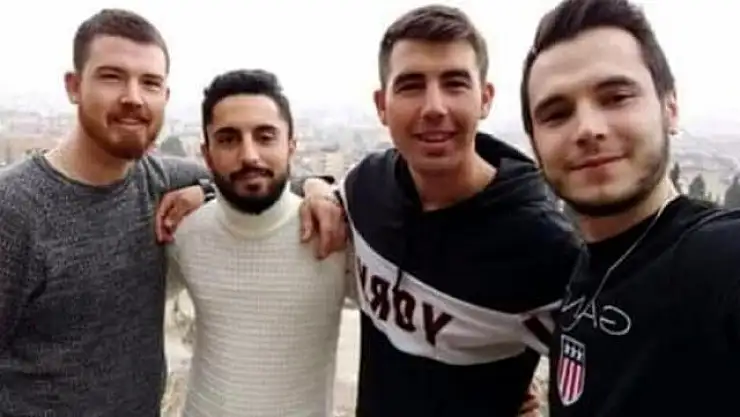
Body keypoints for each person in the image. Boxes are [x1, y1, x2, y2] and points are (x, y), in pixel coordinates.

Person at [0, 9, 342, 416]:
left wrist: (318, 189)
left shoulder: (158, 181)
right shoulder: (15, 208)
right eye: (112, 77)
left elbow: (252, 177)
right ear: (74, 87)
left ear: (165, 95)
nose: (133, 97)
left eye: (150, 82)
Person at [303, 5, 581, 417]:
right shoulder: (366, 187)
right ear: (382, 105)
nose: (434, 107)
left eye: (454, 83)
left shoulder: (542, 246)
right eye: (411, 85)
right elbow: (321, 194)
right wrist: (316, 189)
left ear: (485, 98)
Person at [521, 0, 740, 416]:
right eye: (556, 114)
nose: (588, 129)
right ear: (534, 145)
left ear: (669, 107)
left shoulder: (720, 258)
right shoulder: (583, 275)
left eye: (616, 97)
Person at [166, 69, 352, 417]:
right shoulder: (185, 234)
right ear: (207, 155)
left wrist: (320, 188)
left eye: (265, 137)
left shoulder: (334, 234)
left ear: (291, 146)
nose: (249, 155)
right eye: (228, 139)